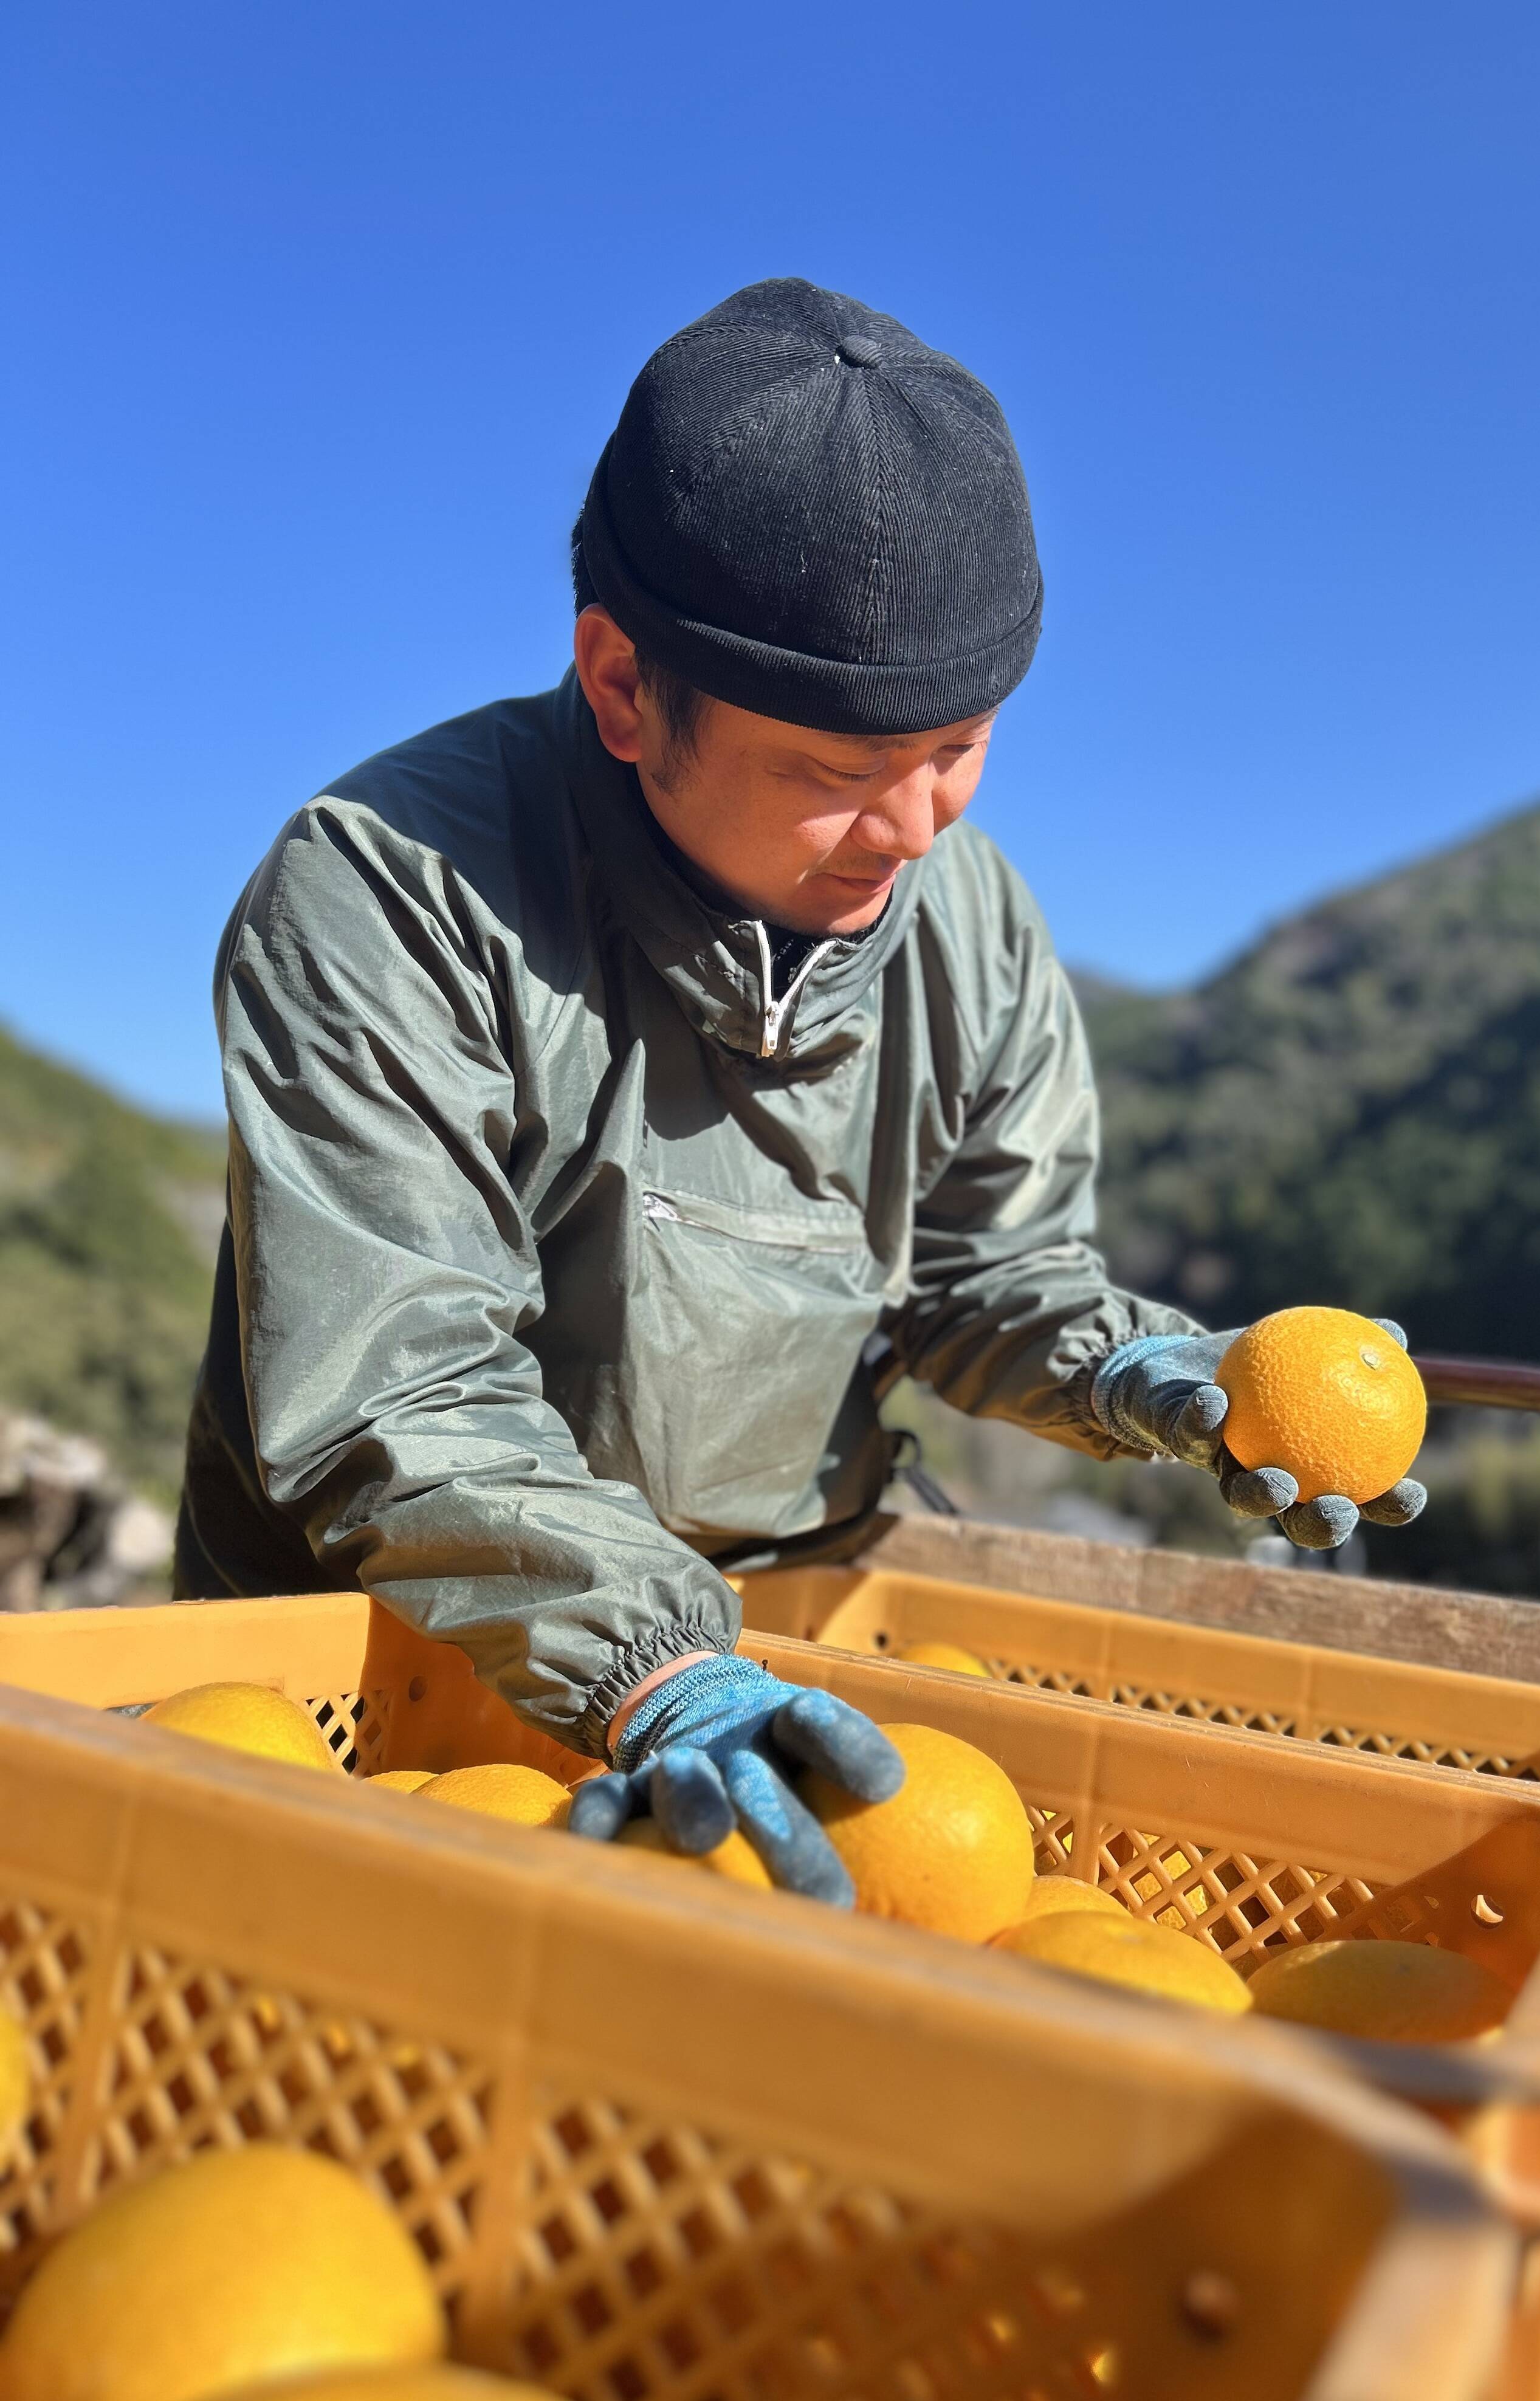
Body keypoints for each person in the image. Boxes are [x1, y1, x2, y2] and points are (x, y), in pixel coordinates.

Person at [176, 279, 1423, 1903]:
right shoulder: (394, 895)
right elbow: (394, 1383)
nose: (915, 831)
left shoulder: (970, 929)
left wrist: (1137, 1370)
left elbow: (983, 1278)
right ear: (623, 686)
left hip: (780, 1684)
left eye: (960, 750)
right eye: (840, 777)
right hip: (388, 1688)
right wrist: (654, 1668)